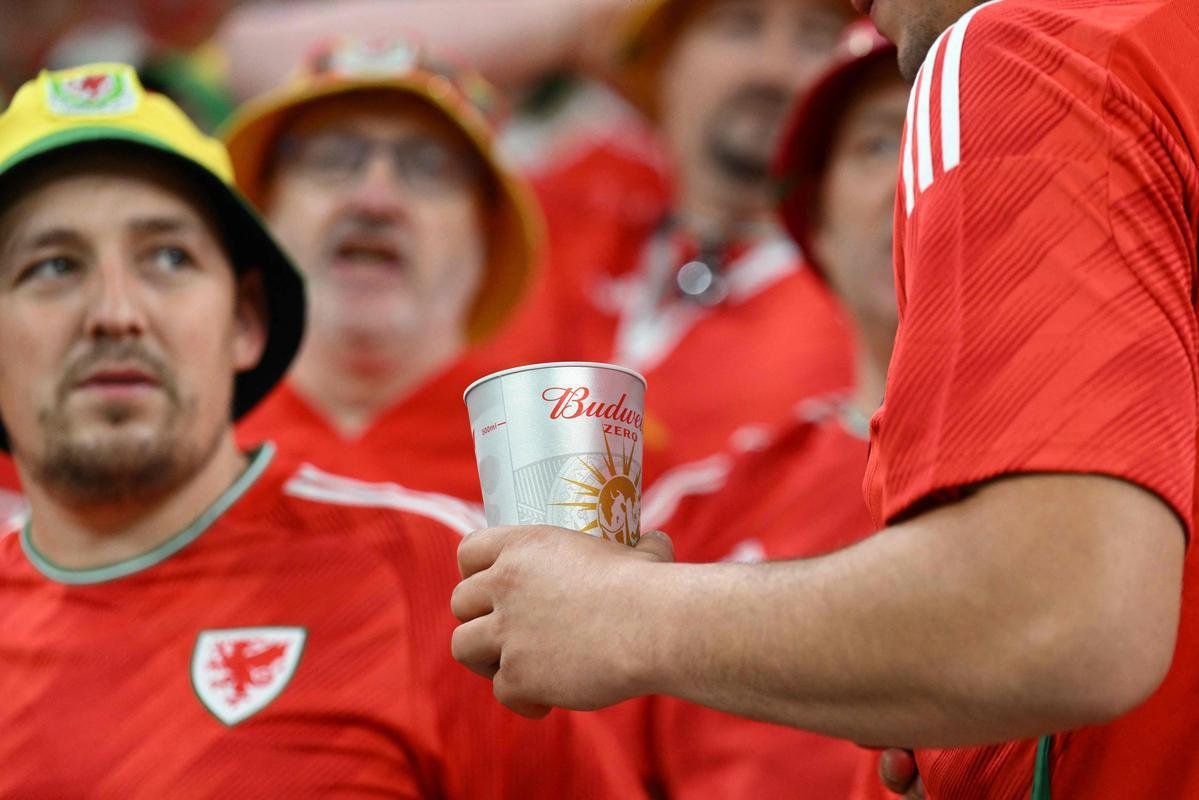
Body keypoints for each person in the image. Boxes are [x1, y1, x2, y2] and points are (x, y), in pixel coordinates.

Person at [451, 0, 1199, 796]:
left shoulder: (1021, 46)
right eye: (874, 143)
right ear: (813, 219)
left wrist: (623, 613)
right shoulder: (1160, 49)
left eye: (917, 136)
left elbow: (1059, 618)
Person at [0, 63, 642, 799]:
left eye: (169, 258)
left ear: (245, 321)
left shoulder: (440, 581)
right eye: (51, 267)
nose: (116, 311)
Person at [638, 22, 907, 798]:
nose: (914, 176)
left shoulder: (1131, 477)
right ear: (811, 228)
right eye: (877, 144)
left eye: (942, 133)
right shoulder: (689, 525)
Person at [228, 36, 543, 501]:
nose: (375, 200)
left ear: (490, 229)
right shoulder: (177, 441)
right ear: (263, 207)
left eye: (429, 165)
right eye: (330, 156)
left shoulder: (560, 470)